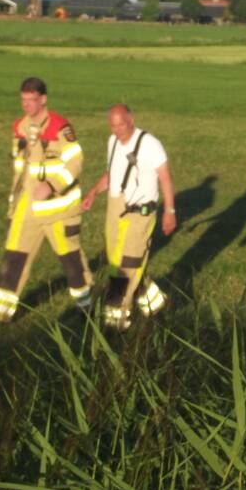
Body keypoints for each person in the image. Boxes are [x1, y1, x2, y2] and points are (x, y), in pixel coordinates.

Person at [0, 77, 93, 322]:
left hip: (59, 208)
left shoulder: (60, 126)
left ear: (43, 99)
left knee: (71, 262)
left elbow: (76, 162)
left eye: (31, 100)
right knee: (13, 258)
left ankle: (86, 309)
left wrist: (52, 185)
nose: (26, 105)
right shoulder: (19, 128)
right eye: (23, 100)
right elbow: (20, 169)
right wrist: (14, 203)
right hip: (28, 207)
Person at [82, 104, 176, 329]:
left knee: (126, 265)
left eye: (121, 124)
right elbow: (112, 172)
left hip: (140, 212)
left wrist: (170, 211)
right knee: (115, 261)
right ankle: (155, 304)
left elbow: (165, 177)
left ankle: (116, 321)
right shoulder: (112, 141)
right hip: (115, 208)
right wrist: (93, 192)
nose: (117, 130)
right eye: (113, 126)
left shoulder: (150, 145)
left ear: (131, 120)